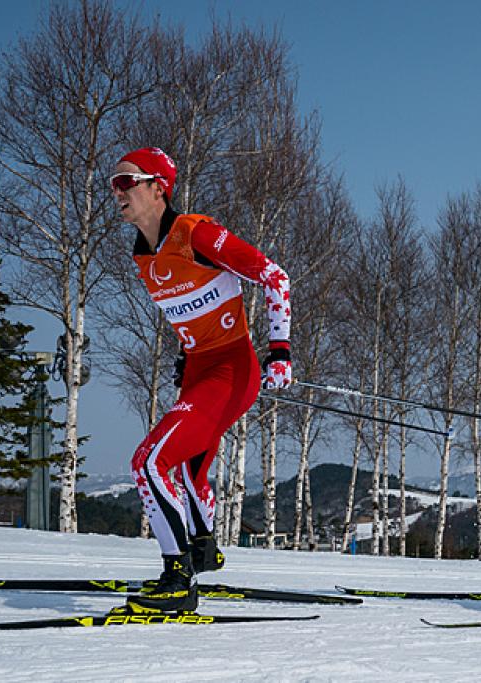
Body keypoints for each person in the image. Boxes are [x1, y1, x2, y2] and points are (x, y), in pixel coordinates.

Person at [110, 147, 293, 613]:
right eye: (114, 183)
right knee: (190, 470)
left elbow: (275, 277)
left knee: (149, 462)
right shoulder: (142, 255)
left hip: (232, 370)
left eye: (127, 182)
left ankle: (177, 578)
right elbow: (190, 309)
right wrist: (184, 353)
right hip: (197, 370)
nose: (117, 192)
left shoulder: (197, 233)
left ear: (158, 187)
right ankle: (202, 550)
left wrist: (280, 352)